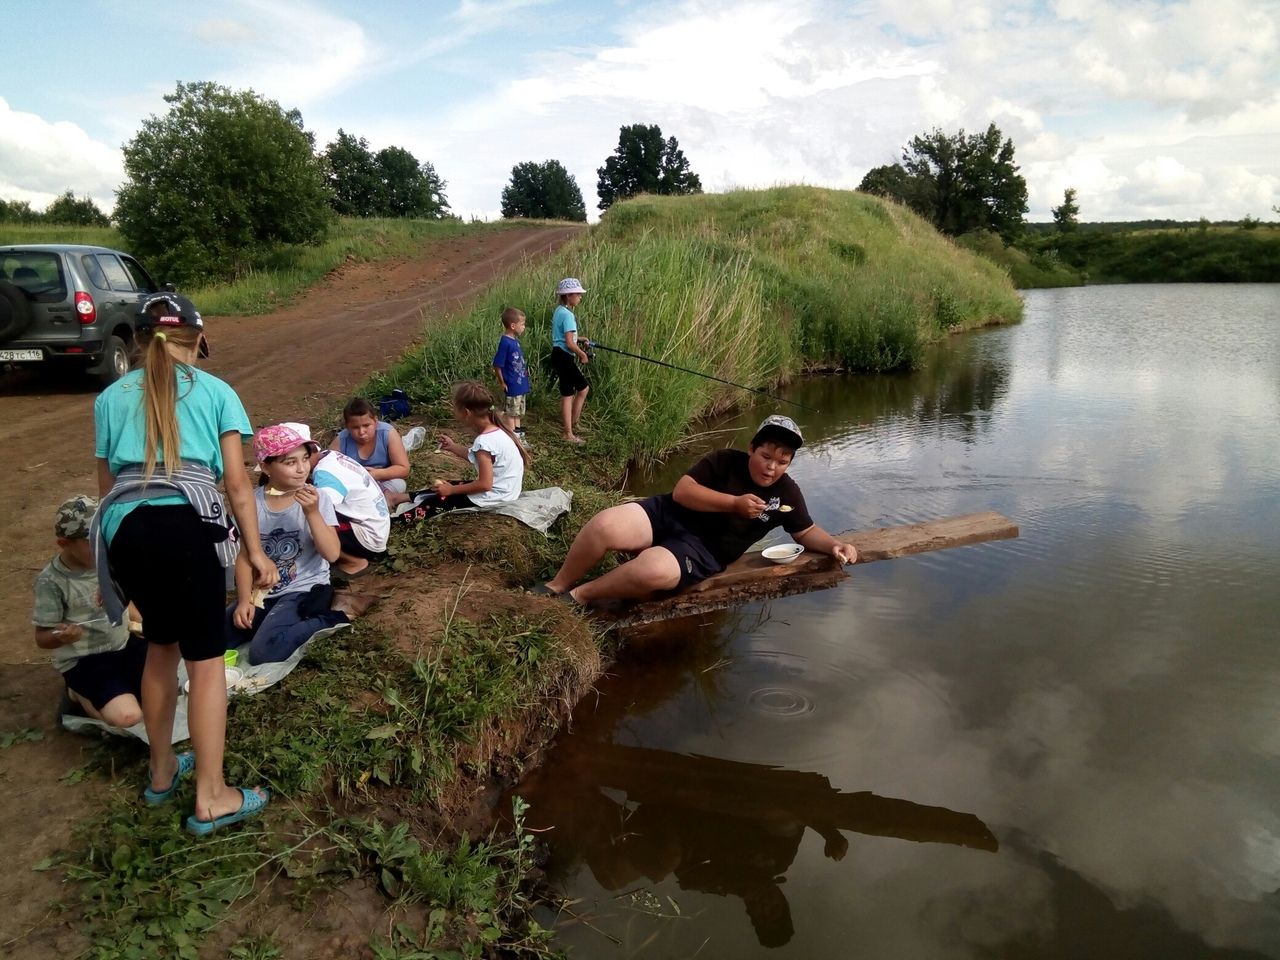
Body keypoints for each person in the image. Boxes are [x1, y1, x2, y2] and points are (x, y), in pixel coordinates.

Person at [93, 292, 276, 834]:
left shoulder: (109, 397)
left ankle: (161, 771)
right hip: (186, 529)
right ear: (197, 339)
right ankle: (212, 796)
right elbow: (238, 485)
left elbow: (105, 486)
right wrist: (256, 551)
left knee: (157, 649)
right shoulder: (217, 392)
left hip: (125, 528)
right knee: (203, 663)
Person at [535, 415, 857, 605]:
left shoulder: (787, 492)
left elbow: (805, 530)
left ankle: (578, 596)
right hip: (669, 513)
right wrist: (733, 503)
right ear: (751, 449)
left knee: (653, 570)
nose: (771, 467)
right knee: (605, 524)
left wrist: (834, 545)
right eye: (765, 455)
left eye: (782, 461)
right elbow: (683, 492)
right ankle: (557, 584)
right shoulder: (724, 461)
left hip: (703, 550)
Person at [227, 425, 349, 665]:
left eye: (305, 459)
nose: (302, 468)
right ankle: (268, 622)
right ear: (265, 466)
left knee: (263, 653)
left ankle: (330, 618)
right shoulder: (251, 503)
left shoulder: (317, 498)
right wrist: (243, 601)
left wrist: (312, 513)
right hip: (263, 593)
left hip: (303, 589)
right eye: (290, 462)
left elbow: (332, 554)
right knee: (210, 639)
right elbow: (244, 557)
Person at [33, 495, 145, 730]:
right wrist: (59, 636)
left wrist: (140, 622)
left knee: (166, 691)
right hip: (86, 659)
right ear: (64, 543)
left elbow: (128, 602)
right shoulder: (51, 581)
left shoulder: (112, 558)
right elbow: (42, 637)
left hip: (124, 644)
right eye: (91, 540)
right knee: (129, 719)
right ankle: (77, 694)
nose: (101, 544)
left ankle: (114, 693)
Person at [402, 381, 528, 523]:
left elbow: (485, 484)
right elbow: (479, 459)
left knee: (436, 502)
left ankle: (397, 520)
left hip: (494, 497)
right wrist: (453, 446)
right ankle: (403, 497)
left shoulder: (484, 442)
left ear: (466, 413)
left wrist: (451, 491)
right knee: (446, 486)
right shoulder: (498, 431)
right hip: (507, 491)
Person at [292, 422, 390, 576]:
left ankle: (352, 561)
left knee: (307, 519)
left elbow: (322, 509)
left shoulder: (324, 475)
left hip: (367, 538)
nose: (296, 468)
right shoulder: (330, 455)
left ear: (308, 453)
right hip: (377, 526)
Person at [330, 397, 411, 509]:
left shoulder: (388, 433)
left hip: (383, 479)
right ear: (347, 427)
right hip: (354, 484)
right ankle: (384, 499)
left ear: (376, 422)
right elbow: (328, 470)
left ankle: (374, 500)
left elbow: (404, 468)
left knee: (400, 483)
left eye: (366, 426)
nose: (362, 432)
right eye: (355, 427)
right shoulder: (341, 441)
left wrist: (376, 474)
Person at [550, 278, 590, 444]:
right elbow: (569, 342)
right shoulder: (568, 316)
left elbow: (565, 337)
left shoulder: (559, 311)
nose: (580, 297)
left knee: (569, 392)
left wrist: (580, 338)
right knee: (582, 389)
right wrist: (582, 354)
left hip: (558, 354)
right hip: (564, 356)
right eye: (578, 294)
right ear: (568, 296)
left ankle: (571, 426)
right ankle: (569, 431)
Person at [492, 307, 531, 443]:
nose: (524, 327)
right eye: (522, 324)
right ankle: (512, 438)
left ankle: (519, 436)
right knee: (511, 412)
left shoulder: (515, 341)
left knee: (518, 412)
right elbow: (498, 364)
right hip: (512, 385)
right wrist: (502, 382)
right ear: (513, 326)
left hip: (520, 385)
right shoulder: (505, 342)